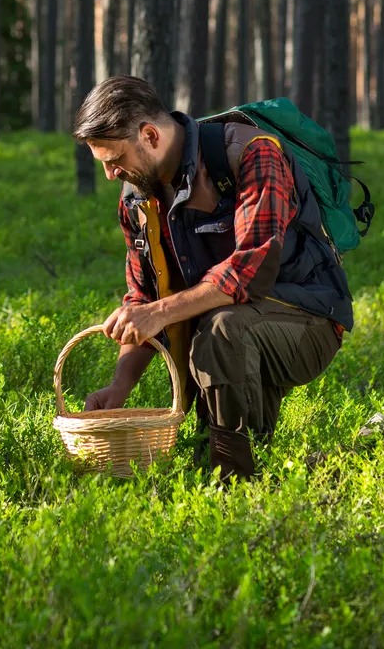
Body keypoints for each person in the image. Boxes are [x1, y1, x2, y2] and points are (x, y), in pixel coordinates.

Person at [72, 76, 352, 481]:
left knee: (220, 330)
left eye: (114, 159)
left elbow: (249, 270)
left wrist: (160, 312)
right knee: (225, 431)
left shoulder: (253, 153)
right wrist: (120, 385)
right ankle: (293, 466)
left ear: (149, 135)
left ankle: (232, 487)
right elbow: (143, 297)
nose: (110, 174)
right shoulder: (137, 196)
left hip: (309, 320)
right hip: (230, 328)